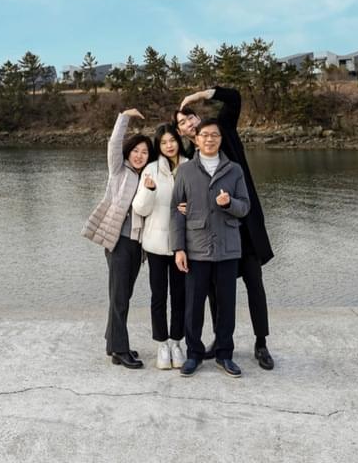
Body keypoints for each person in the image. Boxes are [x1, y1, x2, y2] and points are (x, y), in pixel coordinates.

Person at [177, 86, 275, 369]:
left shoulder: (223, 133)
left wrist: (195, 96)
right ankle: (220, 342)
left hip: (245, 228)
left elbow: (234, 98)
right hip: (212, 236)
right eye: (182, 122)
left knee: (254, 284)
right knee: (214, 291)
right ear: (181, 132)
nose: (189, 123)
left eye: (190, 117)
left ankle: (261, 343)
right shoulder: (188, 159)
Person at [170, 117, 250, 377]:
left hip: (228, 248)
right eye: (204, 135)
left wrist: (229, 203)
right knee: (193, 306)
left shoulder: (234, 170)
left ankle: (224, 354)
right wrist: (178, 249)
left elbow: (245, 207)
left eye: (214, 135)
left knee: (226, 305)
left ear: (221, 139)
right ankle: (194, 354)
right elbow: (176, 211)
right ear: (196, 139)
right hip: (196, 248)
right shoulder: (185, 171)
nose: (209, 139)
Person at [81, 108, 151, 368]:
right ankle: (120, 350)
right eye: (136, 151)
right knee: (119, 297)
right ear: (129, 152)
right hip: (118, 243)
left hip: (137, 245)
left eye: (145, 152)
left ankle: (114, 342)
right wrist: (124, 116)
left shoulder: (146, 178)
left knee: (123, 295)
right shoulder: (119, 171)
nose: (139, 155)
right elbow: (113, 144)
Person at [130, 122, 187, 369]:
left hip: (183, 245)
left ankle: (176, 342)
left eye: (172, 140)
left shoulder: (190, 166)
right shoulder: (151, 169)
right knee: (159, 296)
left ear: (178, 141)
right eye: (163, 142)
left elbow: (201, 202)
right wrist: (149, 190)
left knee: (180, 295)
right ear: (159, 146)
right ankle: (162, 344)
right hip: (155, 244)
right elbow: (140, 209)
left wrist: (191, 208)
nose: (169, 145)